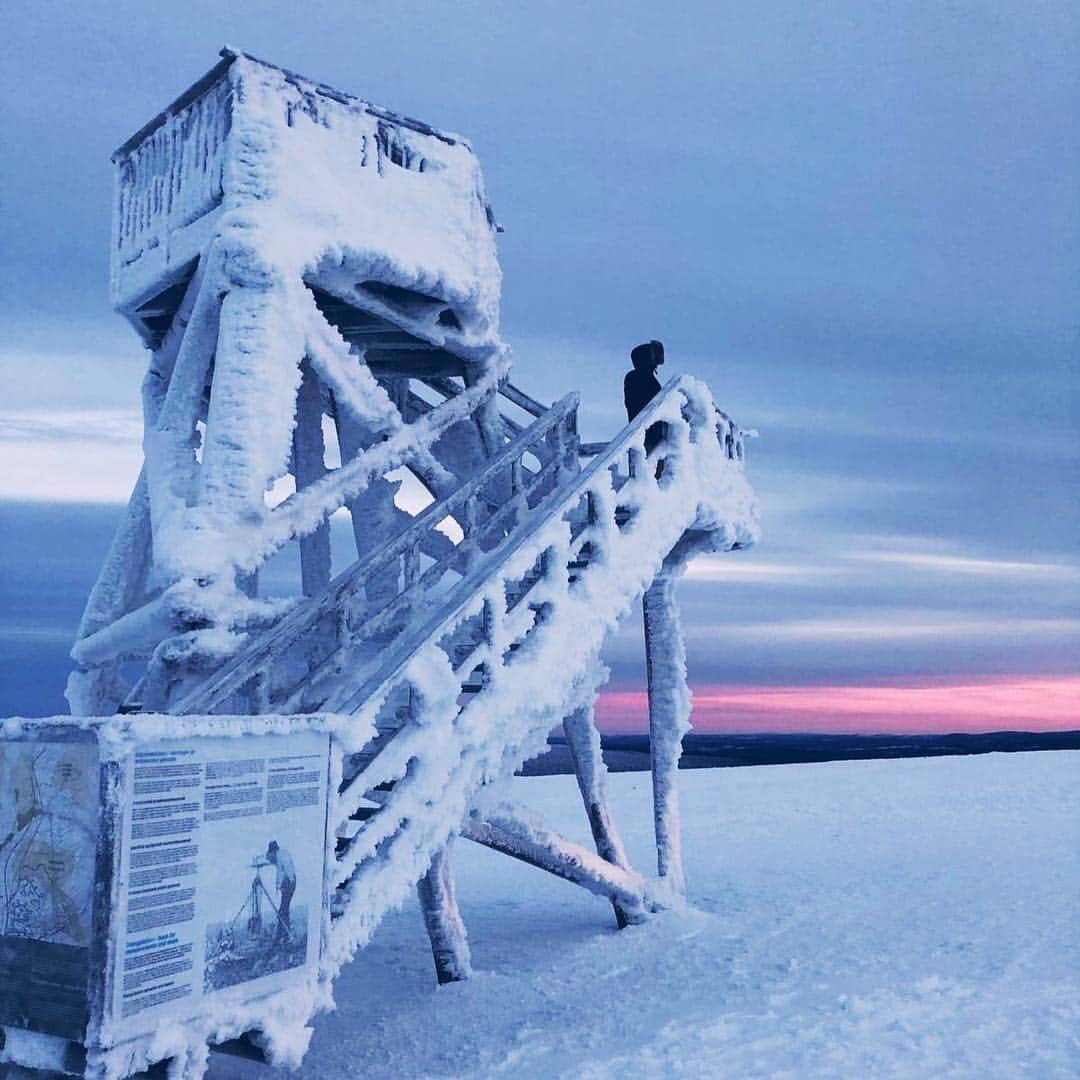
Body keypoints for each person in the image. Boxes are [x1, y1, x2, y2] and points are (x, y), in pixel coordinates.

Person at [624, 339, 666, 454]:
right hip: (648, 435)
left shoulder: (639, 377)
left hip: (648, 434)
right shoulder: (639, 378)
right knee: (651, 468)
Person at [266, 840, 296, 943]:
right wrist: (278, 887)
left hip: (289, 882)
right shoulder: (279, 856)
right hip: (286, 883)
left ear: (273, 852)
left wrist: (289, 882)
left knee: (283, 911)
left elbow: (287, 870)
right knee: (283, 911)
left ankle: (285, 935)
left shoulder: (282, 856)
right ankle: (281, 935)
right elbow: (280, 873)